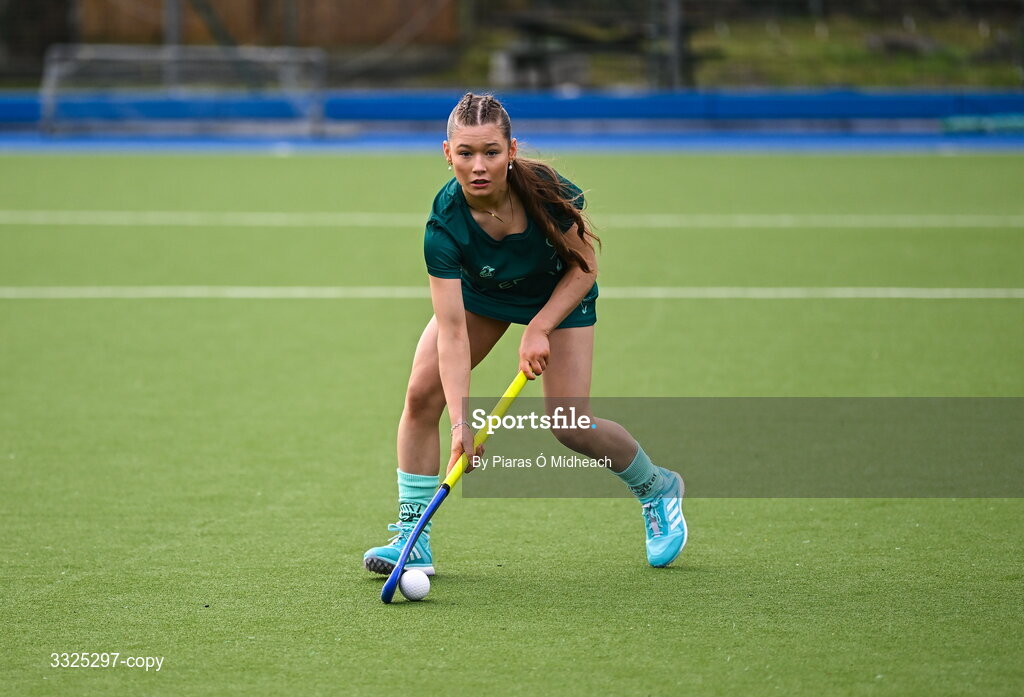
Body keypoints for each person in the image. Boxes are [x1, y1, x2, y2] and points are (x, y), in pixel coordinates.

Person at [363, 93, 686, 576]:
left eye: (491, 152)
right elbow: (452, 333)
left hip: (559, 290)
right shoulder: (443, 227)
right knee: (421, 396)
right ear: (447, 153)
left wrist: (540, 327)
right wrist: (460, 427)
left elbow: (585, 267)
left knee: (570, 425)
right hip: (486, 292)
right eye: (466, 153)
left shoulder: (548, 192)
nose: (478, 166)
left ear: (511, 150)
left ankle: (658, 488)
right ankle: (414, 536)